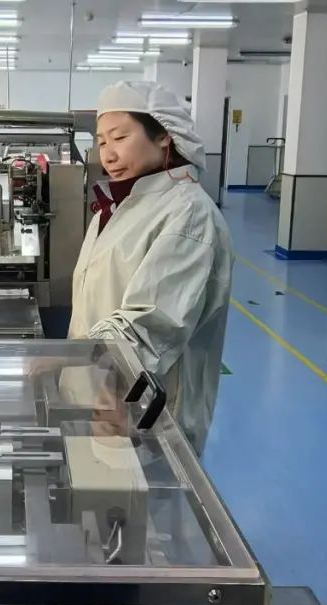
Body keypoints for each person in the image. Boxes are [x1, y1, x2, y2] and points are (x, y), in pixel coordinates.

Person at [69, 81, 233, 455]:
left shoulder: (188, 215)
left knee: (144, 489)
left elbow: (153, 323)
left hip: (146, 410)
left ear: (164, 136)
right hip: (105, 394)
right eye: (101, 141)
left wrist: (65, 357)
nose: (108, 154)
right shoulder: (120, 205)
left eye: (120, 137)